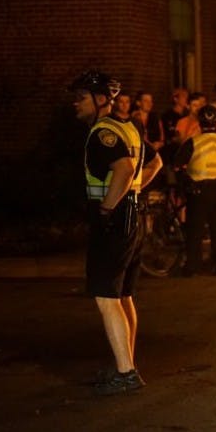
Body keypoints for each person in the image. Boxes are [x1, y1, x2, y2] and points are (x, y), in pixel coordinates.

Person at [69, 70, 162, 395]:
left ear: (99, 100)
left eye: (80, 97)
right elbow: (156, 163)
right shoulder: (129, 128)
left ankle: (125, 373)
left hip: (113, 224)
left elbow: (123, 168)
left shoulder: (101, 134)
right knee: (123, 296)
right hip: (133, 219)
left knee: (106, 297)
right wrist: (132, 192)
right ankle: (127, 364)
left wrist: (109, 207)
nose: (74, 104)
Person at [174, 104, 216, 276]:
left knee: (195, 230)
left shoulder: (193, 142)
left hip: (199, 191)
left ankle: (192, 267)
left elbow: (177, 166)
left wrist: (185, 184)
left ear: (199, 122)